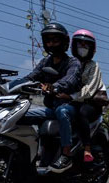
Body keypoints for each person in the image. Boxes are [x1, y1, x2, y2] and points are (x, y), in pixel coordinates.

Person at [16, 23, 81, 173]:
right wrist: (7, 86)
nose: (51, 44)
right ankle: (34, 155)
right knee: (22, 115)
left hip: (70, 106)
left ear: (64, 42)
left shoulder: (73, 62)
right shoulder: (45, 62)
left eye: (55, 40)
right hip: (51, 108)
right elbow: (30, 77)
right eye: (48, 41)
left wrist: (55, 86)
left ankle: (66, 155)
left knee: (62, 112)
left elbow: (70, 80)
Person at [67, 29, 107, 163]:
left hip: (91, 102)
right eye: (80, 44)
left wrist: (71, 96)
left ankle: (87, 148)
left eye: (86, 45)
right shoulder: (69, 63)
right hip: (73, 100)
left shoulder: (94, 66)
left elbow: (90, 89)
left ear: (92, 48)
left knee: (81, 113)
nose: (82, 47)